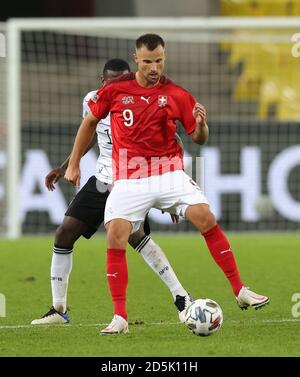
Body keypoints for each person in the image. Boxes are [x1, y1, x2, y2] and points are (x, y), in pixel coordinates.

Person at [65, 35, 269, 335]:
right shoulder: (115, 90)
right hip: (131, 178)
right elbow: (89, 123)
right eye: (147, 61)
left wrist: (200, 126)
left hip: (168, 172)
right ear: (136, 59)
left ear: (164, 57)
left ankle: (240, 289)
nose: (154, 67)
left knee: (205, 216)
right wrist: (72, 163)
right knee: (116, 234)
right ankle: (120, 317)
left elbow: (198, 138)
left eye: (159, 60)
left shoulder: (176, 93)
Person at [31, 58, 193, 325]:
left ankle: (181, 296)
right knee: (64, 234)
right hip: (103, 179)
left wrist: (173, 187)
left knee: (136, 237)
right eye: (113, 81)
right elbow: (91, 132)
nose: (119, 85)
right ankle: (59, 309)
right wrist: (64, 167)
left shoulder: (143, 99)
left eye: (123, 79)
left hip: (133, 180)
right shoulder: (92, 100)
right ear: (102, 81)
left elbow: (171, 142)